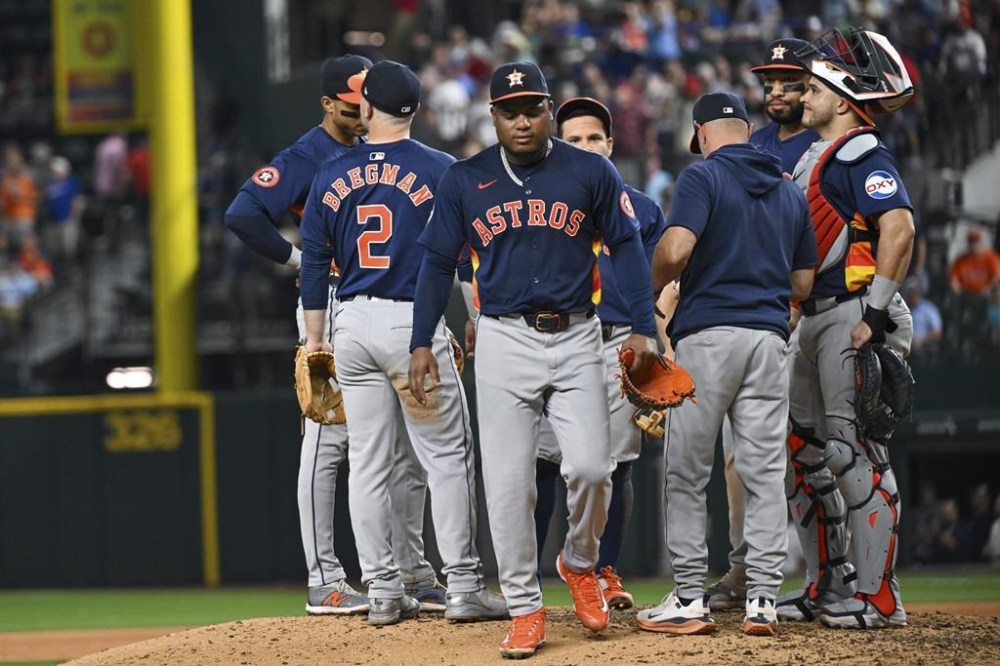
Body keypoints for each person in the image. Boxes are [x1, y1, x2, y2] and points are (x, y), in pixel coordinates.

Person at [408, 61, 660, 658]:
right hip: (502, 338)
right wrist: (422, 340)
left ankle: (579, 559)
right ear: (492, 115)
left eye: (533, 108)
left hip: (578, 334)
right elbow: (436, 264)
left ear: (550, 109)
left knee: (596, 469)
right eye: (509, 110)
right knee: (509, 483)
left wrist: (645, 328)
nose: (522, 120)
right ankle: (524, 607)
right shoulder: (464, 179)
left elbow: (625, 246)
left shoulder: (590, 170)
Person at [224, 55, 444, 616]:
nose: (361, 112)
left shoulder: (384, 147)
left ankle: (414, 571)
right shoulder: (308, 156)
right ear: (328, 104)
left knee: (406, 449)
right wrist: (298, 258)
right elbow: (244, 213)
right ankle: (324, 577)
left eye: (365, 101)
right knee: (329, 444)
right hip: (329, 309)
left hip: (392, 310)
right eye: (351, 106)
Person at [299, 59, 508, 627]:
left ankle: (384, 591)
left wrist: (316, 339)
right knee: (445, 458)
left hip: (351, 327)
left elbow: (316, 261)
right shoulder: (442, 169)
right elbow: (463, 256)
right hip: (411, 329)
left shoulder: (331, 171)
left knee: (366, 463)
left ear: (368, 107)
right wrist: (469, 316)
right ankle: (463, 586)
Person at [636, 92, 816, 637]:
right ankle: (762, 597)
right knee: (763, 473)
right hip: (768, 340)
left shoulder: (703, 177)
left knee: (688, 472)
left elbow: (675, 249)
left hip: (708, 336)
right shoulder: (789, 190)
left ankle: (690, 595)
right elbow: (803, 284)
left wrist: (651, 290)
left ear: (701, 133)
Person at [778, 28, 915, 630]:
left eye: (812, 88)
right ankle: (830, 586)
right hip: (817, 317)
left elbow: (899, 228)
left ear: (843, 97)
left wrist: (878, 314)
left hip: (855, 312)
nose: (801, 96)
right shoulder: (819, 153)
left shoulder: (861, 152)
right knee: (801, 454)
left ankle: (881, 600)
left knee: (856, 454)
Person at [529, 97, 666, 610]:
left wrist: (655, 336)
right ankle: (530, 579)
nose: (586, 147)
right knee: (543, 461)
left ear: (611, 144)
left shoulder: (642, 208)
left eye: (594, 138)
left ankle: (603, 570)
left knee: (615, 463)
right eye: (574, 139)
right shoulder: (542, 203)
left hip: (617, 338)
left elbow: (665, 279)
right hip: (554, 337)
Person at [707, 37, 821, 614]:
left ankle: (838, 571)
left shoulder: (828, 144)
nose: (777, 89)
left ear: (814, 86)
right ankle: (745, 567)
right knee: (739, 458)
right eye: (770, 80)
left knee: (817, 451)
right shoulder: (748, 146)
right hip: (763, 315)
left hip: (815, 307)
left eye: (790, 80)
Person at [749, 38, 822, 173]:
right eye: (769, 80)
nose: (776, 92)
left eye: (789, 80)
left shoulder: (826, 139)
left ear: (814, 83)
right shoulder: (755, 140)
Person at [949, 226, 1000, 295]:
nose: (974, 244)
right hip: (965, 294)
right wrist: (956, 287)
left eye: (976, 241)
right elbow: (953, 278)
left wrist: (988, 289)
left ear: (981, 242)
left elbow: (996, 278)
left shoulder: (991, 257)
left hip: (985, 295)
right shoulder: (961, 259)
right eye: (971, 241)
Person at [903, 277, 942, 359]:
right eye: (910, 293)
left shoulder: (928, 308)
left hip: (924, 348)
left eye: (914, 293)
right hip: (904, 349)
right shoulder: (902, 308)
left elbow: (937, 332)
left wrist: (922, 340)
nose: (912, 295)